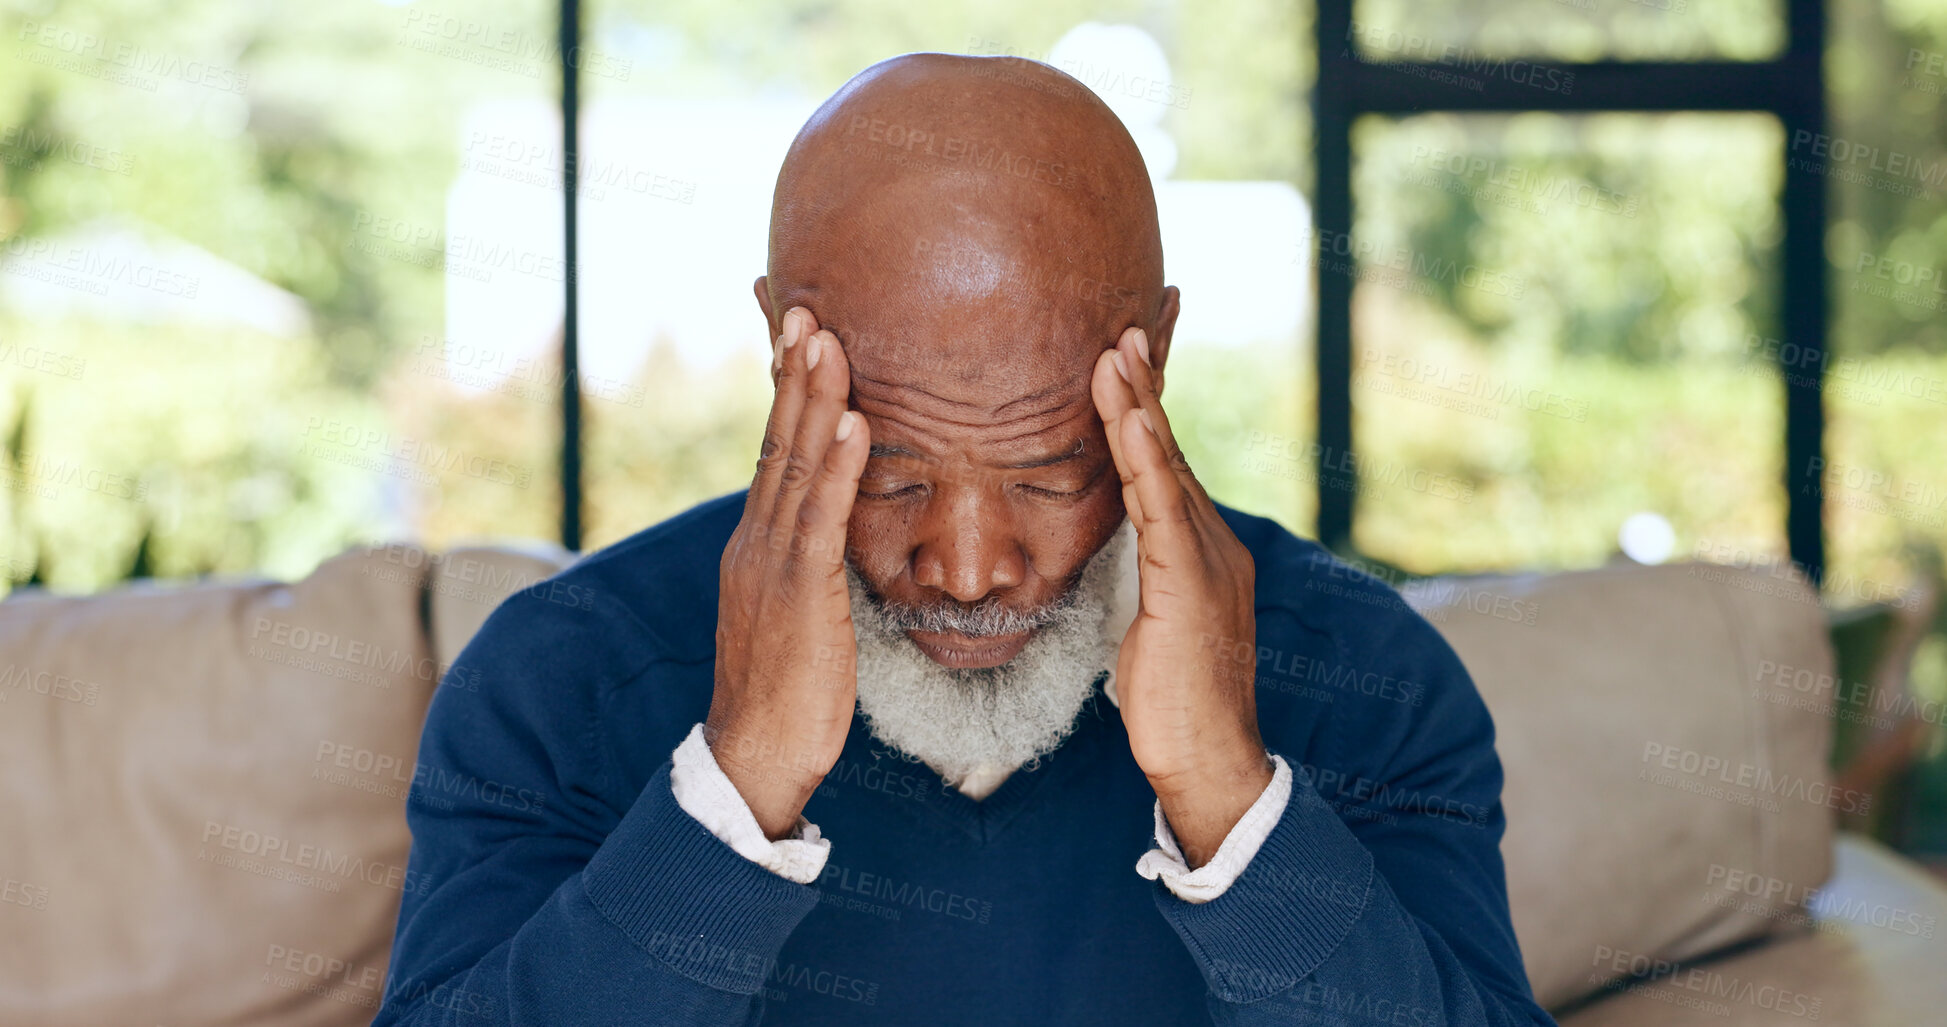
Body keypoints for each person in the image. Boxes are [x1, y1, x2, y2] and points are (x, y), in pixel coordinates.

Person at [375, 52, 1555, 1026]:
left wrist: (1230, 795)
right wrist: (734, 791)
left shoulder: (1370, 678)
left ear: (1156, 358)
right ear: (784, 352)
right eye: (891, 475)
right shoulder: (558, 676)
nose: (973, 567)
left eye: (1049, 473)